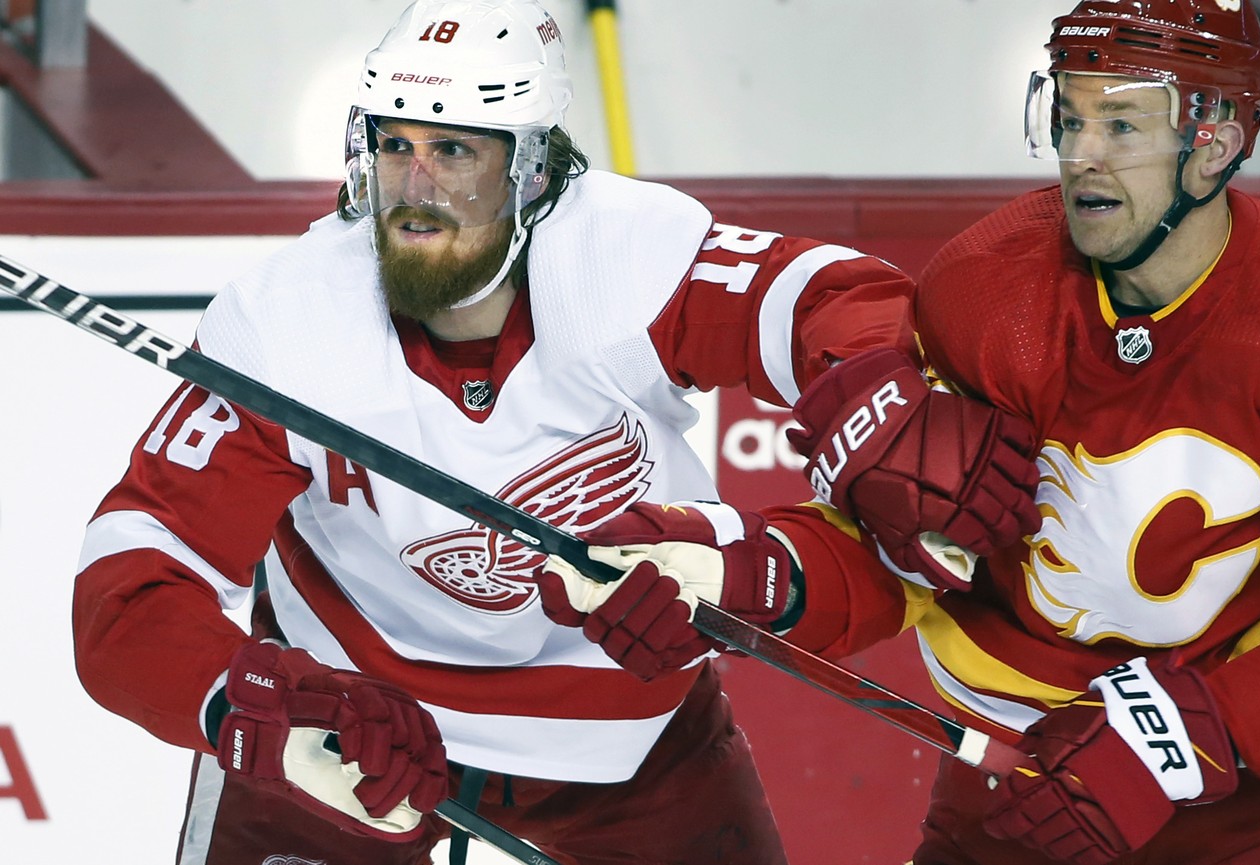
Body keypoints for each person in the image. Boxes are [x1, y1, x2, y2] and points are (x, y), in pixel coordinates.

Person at [69, 1, 1038, 864]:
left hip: (624, 724)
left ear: (533, 171)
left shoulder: (627, 253)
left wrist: (878, 395)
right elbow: (132, 572)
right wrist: (263, 714)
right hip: (358, 720)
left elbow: (825, 299)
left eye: (456, 152)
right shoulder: (283, 322)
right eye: (393, 144)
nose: (415, 185)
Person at [536, 2, 1260, 863]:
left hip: (1250, 798)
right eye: (1070, 119)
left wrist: (1183, 736)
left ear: (1215, 142)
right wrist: (739, 570)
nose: (1082, 155)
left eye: (1121, 124)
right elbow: (913, 550)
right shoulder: (987, 292)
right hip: (1015, 779)